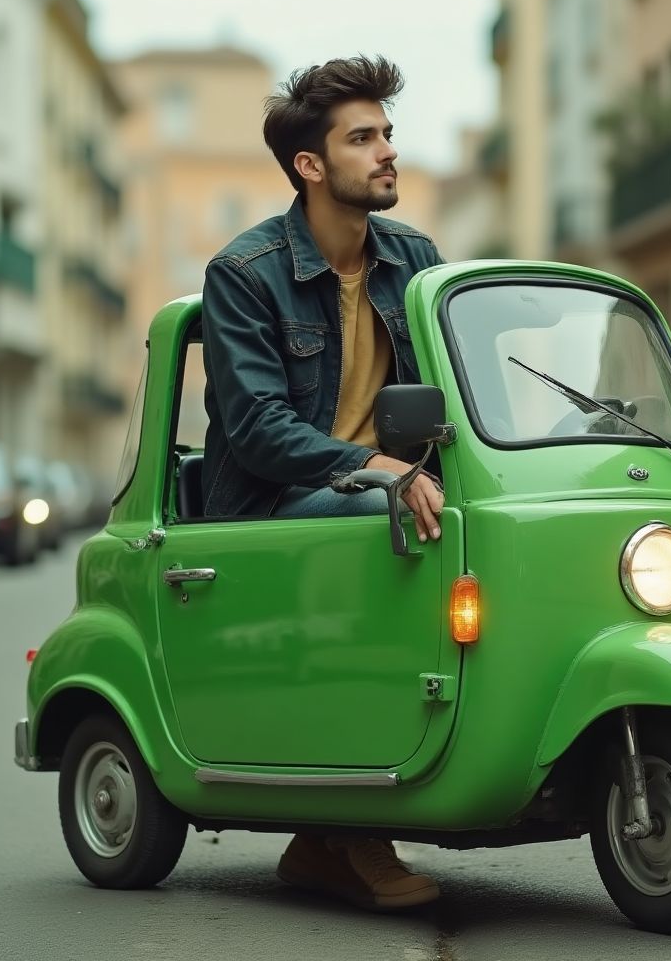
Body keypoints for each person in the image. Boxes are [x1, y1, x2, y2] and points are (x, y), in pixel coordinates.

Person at [200, 55, 444, 910]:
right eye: (363, 138)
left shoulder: (415, 260)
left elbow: (453, 395)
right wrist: (375, 467)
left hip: (393, 487)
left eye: (388, 135)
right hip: (272, 505)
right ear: (310, 164)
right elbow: (259, 429)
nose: (388, 152)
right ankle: (358, 829)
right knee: (382, 522)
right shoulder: (245, 273)